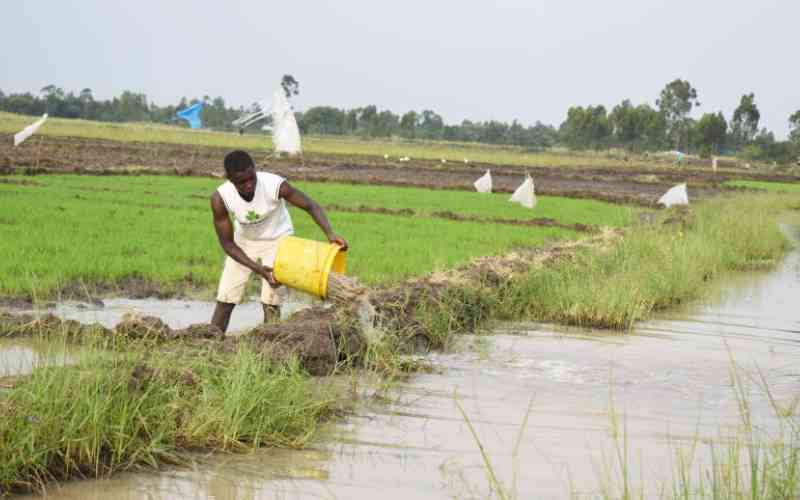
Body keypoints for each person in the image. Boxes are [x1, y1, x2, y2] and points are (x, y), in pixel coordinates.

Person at [209, 150, 348, 332]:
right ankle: (211, 341)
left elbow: (310, 205)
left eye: (251, 178)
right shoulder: (221, 198)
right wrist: (258, 269)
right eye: (241, 182)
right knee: (226, 297)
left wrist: (330, 234)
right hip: (244, 242)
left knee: (271, 301)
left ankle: (271, 343)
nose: (249, 185)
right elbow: (228, 244)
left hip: (278, 240)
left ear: (255, 170)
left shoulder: (274, 185)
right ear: (230, 179)